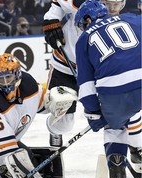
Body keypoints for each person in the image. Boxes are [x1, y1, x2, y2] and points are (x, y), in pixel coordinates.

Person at [74, 0, 141, 178]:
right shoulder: (133, 19)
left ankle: (117, 167)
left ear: (87, 19)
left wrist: (94, 113)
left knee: (114, 127)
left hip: (114, 92)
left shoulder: (83, 39)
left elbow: (86, 87)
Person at [102, 0, 142, 167]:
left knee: (132, 114)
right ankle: (129, 151)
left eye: (116, 3)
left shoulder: (130, 20)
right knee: (122, 116)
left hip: (127, 78)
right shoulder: (92, 24)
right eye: (108, 3)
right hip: (106, 81)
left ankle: (135, 148)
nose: (112, 7)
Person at [42, 0, 85, 148]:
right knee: (64, 123)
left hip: (97, 71)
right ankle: (55, 130)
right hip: (65, 66)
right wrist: (52, 21)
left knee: (115, 111)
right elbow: (58, 5)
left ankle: (126, 147)